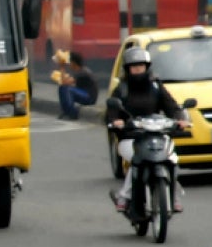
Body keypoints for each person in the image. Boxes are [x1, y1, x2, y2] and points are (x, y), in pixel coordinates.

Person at [106, 47, 189, 215]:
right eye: (133, 66)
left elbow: (171, 106)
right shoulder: (122, 89)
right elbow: (111, 110)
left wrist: (180, 119)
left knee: (171, 158)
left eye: (141, 66)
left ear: (147, 67)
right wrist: (116, 121)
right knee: (138, 160)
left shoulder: (156, 86)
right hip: (131, 138)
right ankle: (124, 196)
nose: (137, 69)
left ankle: (173, 197)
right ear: (127, 69)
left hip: (157, 136)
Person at [56, 51, 98, 120]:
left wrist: (62, 67)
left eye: (70, 62)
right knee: (62, 88)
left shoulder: (82, 71)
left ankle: (72, 112)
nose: (69, 64)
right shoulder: (78, 71)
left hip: (89, 97)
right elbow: (66, 84)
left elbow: (64, 82)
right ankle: (66, 111)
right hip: (84, 93)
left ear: (74, 63)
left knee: (67, 89)